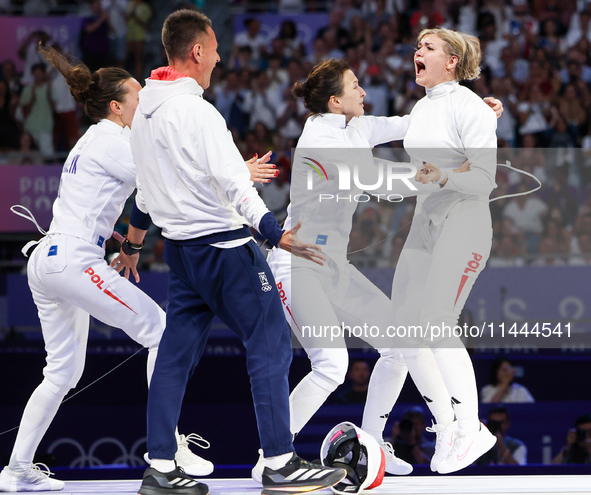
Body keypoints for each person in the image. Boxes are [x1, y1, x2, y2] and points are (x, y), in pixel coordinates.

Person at [128, 10, 345, 495]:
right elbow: (233, 184)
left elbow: (146, 191)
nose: (221, 57)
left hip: (182, 256)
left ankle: (160, 467)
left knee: (173, 358)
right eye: (216, 48)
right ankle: (280, 462)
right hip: (227, 252)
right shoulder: (199, 113)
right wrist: (274, 231)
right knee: (269, 343)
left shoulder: (142, 113)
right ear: (198, 51)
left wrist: (132, 242)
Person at [256, 58, 503, 481]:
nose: (364, 92)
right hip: (296, 265)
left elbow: (412, 123)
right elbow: (380, 180)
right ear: (336, 101)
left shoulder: (358, 127)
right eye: (356, 86)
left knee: (400, 343)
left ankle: (373, 445)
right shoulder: (320, 138)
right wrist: (445, 174)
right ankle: (273, 455)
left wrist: (476, 112)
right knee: (332, 364)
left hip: (334, 266)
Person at [0, 47, 212, 493]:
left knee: (61, 373)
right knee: (162, 330)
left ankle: (17, 470)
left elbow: (100, 204)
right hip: (72, 260)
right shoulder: (115, 140)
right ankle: (167, 451)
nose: (145, 105)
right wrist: (235, 173)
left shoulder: (92, 140)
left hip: (51, 259)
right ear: (117, 106)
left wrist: (119, 241)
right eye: (138, 98)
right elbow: (164, 183)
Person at [390, 27, 499, 474]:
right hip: (425, 222)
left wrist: (444, 176)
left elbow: (485, 178)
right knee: (404, 331)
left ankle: (472, 428)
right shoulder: (421, 107)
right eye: (417, 47)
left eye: (429, 48)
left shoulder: (467, 105)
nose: (418, 52)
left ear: (452, 60)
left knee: (437, 322)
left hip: (464, 219)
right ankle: (449, 422)